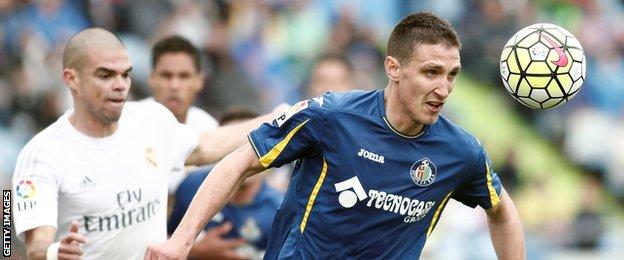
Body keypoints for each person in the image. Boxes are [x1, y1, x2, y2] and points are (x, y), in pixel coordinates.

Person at [146, 12, 525, 259]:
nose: (444, 88)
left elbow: (503, 212)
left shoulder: (460, 151)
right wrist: (181, 242)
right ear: (393, 68)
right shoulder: (332, 116)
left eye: (452, 74)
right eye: (431, 72)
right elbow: (240, 160)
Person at [11, 28, 283, 260]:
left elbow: (207, 146)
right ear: (72, 79)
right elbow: (29, 244)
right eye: (105, 75)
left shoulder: (151, 121)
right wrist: (53, 252)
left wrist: (279, 118)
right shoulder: (43, 154)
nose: (120, 85)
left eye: (125, 74)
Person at [168, 109, 283, 260]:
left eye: (251, 145)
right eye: (233, 147)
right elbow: (162, 238)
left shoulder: (279, 209)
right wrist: (196, 250)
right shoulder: (191, 186)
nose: (241, 155)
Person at [144, 35, 219, 192]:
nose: (174, 85)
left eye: (183, 76)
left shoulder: (209, 128)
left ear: (199, 81)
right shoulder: (131, 123)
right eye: (166, 75)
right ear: (151, 78)